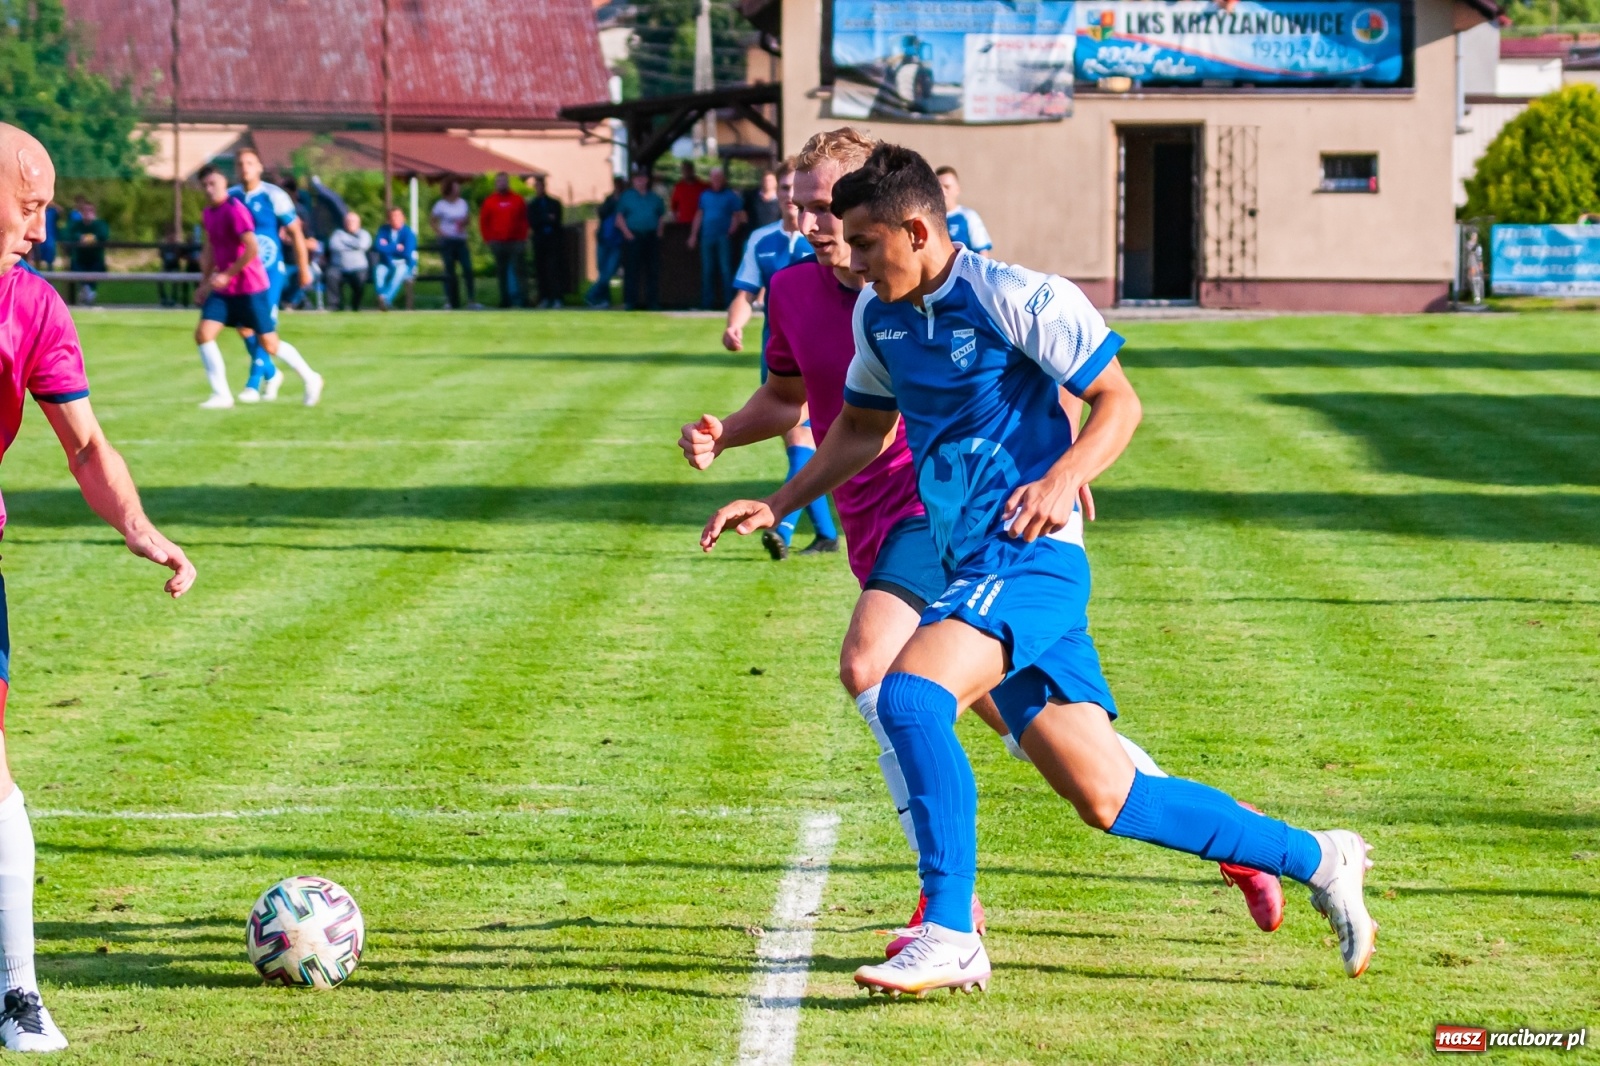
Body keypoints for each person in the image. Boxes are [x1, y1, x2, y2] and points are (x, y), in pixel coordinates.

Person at [703, 143, 1377, 996]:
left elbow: (1117, 400)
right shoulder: (880, 319)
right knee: (1111, 797)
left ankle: (951, 930)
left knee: (907, 694)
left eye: (869, 245)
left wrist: (1067, 474)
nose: (859, 265)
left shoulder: (1018, 294)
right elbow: (858, 431)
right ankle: (1319, 856)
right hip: (970, 565)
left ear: (917, 230)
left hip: (1030, 562)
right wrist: (782, 498)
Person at [0, 122, 197, 1054]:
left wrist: (139, 527)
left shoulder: (32, 308)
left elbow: (84, 444)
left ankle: (15, 994)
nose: (39, 231)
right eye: (28, 207)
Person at [723, 158, 836, 559]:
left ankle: (785, 528)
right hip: (781, 356)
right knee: (802, 440)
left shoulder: (833, 244)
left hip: (821, 359)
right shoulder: (762, 240)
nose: (791, 199)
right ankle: (823, 532)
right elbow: (744, 294)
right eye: (786, 190)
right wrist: (735, 325)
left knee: (808, 440)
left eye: (797, 190)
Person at [230, 148, 322, 403]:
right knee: (244, 328)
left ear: (259, 167)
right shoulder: (232, 197)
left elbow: (295, 233)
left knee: (263, 332)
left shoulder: (274, 195)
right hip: (243, 274)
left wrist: (303, 268)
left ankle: (252, 384)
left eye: (250, 162)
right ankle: (283, 374)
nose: (244, 167)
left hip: (269, 274)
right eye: (240, 163)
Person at [193, 165, 285, 407]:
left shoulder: (234, 209)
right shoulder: (208, 213)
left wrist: (226, 274)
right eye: (205, 185)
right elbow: (211, 249)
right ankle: (221, 395)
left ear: (225, 183)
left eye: (213, 183)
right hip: (226, 289)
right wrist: (205, 283)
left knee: (269, 344)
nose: (209, 189)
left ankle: (308, 377)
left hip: (250, 285)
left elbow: (251, 248)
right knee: (203, 334)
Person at [687, 166, 745, 310]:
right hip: (707, 237)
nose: (716, 180)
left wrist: (731, 231)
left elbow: (737, 215)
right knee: (707, 270)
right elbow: (699, 215)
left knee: (726, 270)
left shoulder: (730, 195)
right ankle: (707, 303)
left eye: (719, 178)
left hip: (723, 238)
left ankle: (729, 303)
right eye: (714, 178)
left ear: (723, 179)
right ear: (711, 179)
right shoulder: (704, 195)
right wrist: (693, 235)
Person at [616, 169, 666, 312]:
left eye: (642, 178)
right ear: (633, 181)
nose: (640, 181)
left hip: (651, 237)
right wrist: (627, 233)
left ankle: (652, 302)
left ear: (647, 180)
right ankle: (630, 302)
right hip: (633, 236)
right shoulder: (627, 197)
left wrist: (659, 232)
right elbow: (619, 218)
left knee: (652, 270)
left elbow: (661, 216)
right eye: (637, 178)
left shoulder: (655, 198)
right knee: (632, 270)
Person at [479, 172, 528, 308]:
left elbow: (524, 220)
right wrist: (488, 239)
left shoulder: (517, 200)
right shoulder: (490, 201)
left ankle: (524, 299)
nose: (502, 184)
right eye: (499, 181)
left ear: (508, 183)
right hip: (498, 242)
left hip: (516, 241)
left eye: (504, 181)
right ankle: (505, 300)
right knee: (501, 272)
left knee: (520, 271)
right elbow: (484, 221)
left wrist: (523, 238)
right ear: (496, 184)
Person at [431, 179, 480, 309]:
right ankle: (450, 300)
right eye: (456, 188)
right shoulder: (440, 205)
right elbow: (433, 222)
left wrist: (464, 223)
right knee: (449, 271)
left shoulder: (463, 203)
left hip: (461, 240)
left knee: (468, 269)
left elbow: (468, 219)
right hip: (447, 242)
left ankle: (471, 299)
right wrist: (441, 233)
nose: (458, 190)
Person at [586, 176, 627, 308]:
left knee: (608, 272)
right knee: (603, 271)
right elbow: (601, 213)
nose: (618, 187)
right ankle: (604, 300)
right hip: (604, 239)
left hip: (617, 242)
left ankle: (591, 295)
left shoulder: (626, 201)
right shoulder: (609, 200)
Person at [935, 166, 992, 257]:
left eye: (947, 187)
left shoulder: (968, 216)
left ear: (957, 189)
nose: (942, 191)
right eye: (938, 187)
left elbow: (982, 253)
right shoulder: (931, 218)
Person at [526, 175, 565, 309]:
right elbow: (533, 222)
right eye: (537, 186)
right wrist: (546, 218)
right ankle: (544, 298)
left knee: (554, 269)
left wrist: (545, 219)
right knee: (541, 269)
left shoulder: (554, 203)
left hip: (553, 240)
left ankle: (557, 298)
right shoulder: (532, 205)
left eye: (541, 185)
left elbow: (557, 220)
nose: (539, 188)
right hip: (539, 241)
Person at [373, 206, 418, 311]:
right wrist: (395, 246)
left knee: (398, 273)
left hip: (404, 264)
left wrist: (387, 246)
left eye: (398, 216)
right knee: (379, 271)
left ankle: (384, 299)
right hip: (387, 263)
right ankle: (381, 297)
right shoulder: (383, 230)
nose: (395, 218)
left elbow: (407, 253)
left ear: (403, 218)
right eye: (392, 216)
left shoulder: (408, 233)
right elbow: (378, 247)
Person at [326, 211, 372, 312]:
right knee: (331, 275)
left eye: (353, 221)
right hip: (339, 268)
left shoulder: (364, 234)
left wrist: (345, 242)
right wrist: (354, 244)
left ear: (359, 223)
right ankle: (335, 305)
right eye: (348, 221)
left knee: (360, 279)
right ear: (344, 222)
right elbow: (334, 246)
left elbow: (363, 245)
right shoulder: (337, 233)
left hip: (359, 268)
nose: (350, 223)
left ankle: (356, 305)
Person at [64, 199, 108, 305]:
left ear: (94, 212)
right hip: (79, 260)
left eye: (90, 210)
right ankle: (87, 292)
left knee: (97, 270)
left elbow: (103, 235)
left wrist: (91, 238)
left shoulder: (100, 225)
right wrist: (80, 237)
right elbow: (66, 234)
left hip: (96, 260)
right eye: (85, 211)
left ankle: (87, 292)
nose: (88, 213)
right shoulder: (76, 225)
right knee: (75, 269)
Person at [669, 160, 706, 225]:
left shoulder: (703, 186)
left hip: (701, 224)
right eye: (684, 170)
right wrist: (675, 222)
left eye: (688, 169)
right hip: (683, 224)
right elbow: (673, 207)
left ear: (693, 170)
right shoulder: (678, 187)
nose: (686, 172)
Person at [27, 202, 56, 271]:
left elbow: (61, 212)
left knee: (49, 257)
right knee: (35, 256)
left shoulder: (51, 212)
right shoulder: (35, 212)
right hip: (36, 237)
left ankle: (50, 272)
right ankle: (35, 270)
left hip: (48, 237)